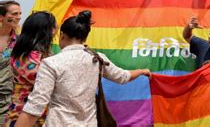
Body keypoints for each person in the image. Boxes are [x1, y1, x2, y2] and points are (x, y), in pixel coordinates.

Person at [15, 11, 151, 126]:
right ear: (85, 36)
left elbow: (35, 106)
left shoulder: (50, 63)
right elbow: (123, 77)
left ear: (62, 35)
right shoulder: (98, 58)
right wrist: (141, 71)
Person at [5, 12, 57, 126]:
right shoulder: (28, 57)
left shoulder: (30, 53)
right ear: (47, 30)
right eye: (54, 27)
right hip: (24, 115)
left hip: (34, 113)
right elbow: (46, 81)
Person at [0, 1, 21, 127]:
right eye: (14, 13)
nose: (18, 17)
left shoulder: (19, 41)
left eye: (20, 14)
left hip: (8, 100)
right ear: (1, 16)